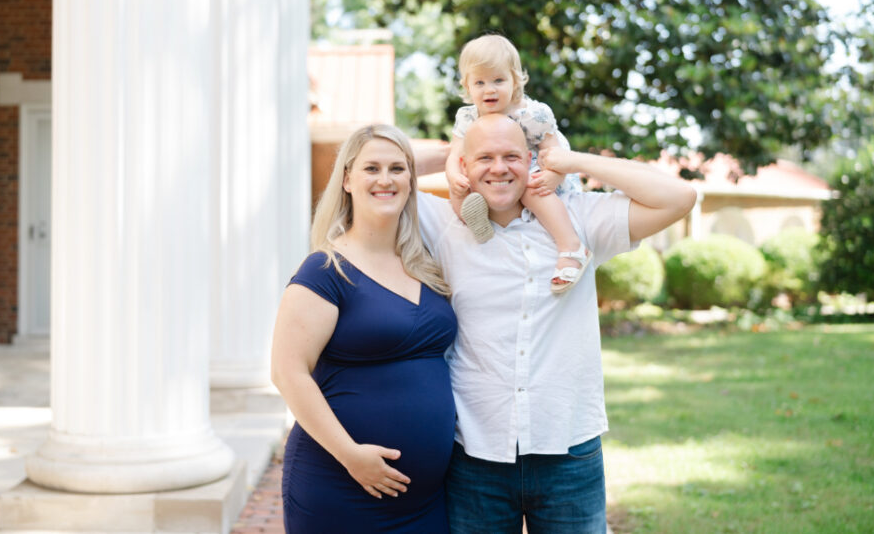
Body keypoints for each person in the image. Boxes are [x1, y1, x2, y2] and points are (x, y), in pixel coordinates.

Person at [417, 114, 697, 533]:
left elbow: (679, 197)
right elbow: (367, 163)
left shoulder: (577, 218)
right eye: (484, 158)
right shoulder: (442, 222)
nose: (498, 168)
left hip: (569, 449)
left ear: (530, 160)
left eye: (511, 156)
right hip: (476, 455)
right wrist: (449, 154)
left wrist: (570, 160)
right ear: (465, 167)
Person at [270, 124, 457, 533]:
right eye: (371, 168)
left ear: (412, 178)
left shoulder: (425, 265)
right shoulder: (325, 269)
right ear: (347, 180)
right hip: (340, 484)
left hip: (426, 500)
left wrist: (466, 151)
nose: (386, 179)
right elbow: (288, 372)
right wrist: (350, 454)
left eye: (397, 168)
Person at [445, 33, 590, 293]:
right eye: (479, 82)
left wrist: (553, 176)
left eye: (498, 80)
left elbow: (554, 153)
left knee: (532, 190)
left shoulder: (532, 114)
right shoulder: (468, 116)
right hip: (497, 175)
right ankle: (480, 225)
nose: (489, 89)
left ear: (516, 80)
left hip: (535, 170)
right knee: (461, 192)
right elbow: (455, 155)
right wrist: (455, 176)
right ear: (467, 86)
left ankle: (571, 246)